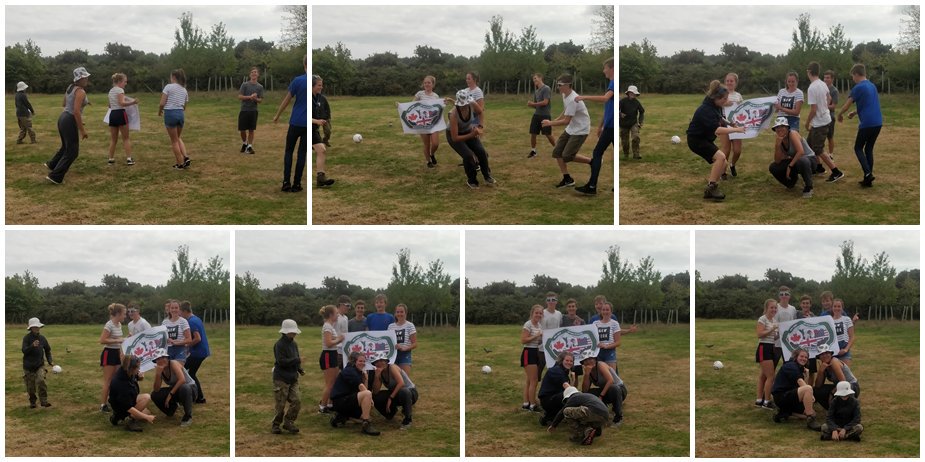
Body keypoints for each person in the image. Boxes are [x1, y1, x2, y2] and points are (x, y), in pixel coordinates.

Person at [686, 80, 747, 201]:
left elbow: (721, 118)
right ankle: (712, 187)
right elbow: (718, 129)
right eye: (724, 99)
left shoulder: (715, 105)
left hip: (704, 139)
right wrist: (736, 130)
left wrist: (731, 123)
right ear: (716, 98)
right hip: (696, 140)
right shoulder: (705, 110)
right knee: (720, 157)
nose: (726, 101)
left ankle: (711, 184)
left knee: (723, 162)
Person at [836, 63, 883, 188]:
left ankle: (868, 173)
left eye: (853, 76)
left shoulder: (858, 87)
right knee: (868, 149)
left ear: (857, 74)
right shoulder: (872, 86)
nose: (853, 79)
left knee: (858, 148)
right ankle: (868, 180)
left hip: (867, 123)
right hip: (878, 122)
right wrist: (856, 112)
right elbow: (870, 104)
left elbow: (847, 104)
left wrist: (840, 114)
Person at [542, 74, 592, 189]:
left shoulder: (573, 99)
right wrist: (555, 120)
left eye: (560, 85)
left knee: (567, 156)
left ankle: (592, 162)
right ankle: (567, 179)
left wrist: (550, 123)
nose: (558, 87)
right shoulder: (565, 95)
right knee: (557, 152)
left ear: (568, 85)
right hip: (571, 128)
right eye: (557, 85)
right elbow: (566, 110)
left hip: (581, 129)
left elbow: (566, 121)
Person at [574, 57, 615, 195]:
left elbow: (604, 99)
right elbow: (609, 107)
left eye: (605, 68)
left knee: (597, 153)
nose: (604, 71)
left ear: (611, 68)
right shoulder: (612, 83)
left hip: (612, 128)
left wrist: (584, 97)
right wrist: (600, 126)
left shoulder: (613, 83)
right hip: (609, 126)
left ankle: (592, 187)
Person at [45, 67, 90, 184]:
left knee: (66, 146)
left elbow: (64, 103)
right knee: (73, 151)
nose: (87, 79)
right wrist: (82, 130)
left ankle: (52, 164)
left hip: (63, 117)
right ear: (79, 79)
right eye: (85, 77)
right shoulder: (80, 91)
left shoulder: (70, 88)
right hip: (69, 118)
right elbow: (76, 111)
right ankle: (55, 176)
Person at [445, 89, 496, 188]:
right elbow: (455, 138)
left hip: (468, 131)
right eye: (461, 105)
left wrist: (480, 126)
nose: (464, 106)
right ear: (458, 104)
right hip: (454, 135)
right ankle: (472, 180)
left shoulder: (472, 104)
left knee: (481, 151)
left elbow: (480, 112)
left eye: (466, 104)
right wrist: (472, 135)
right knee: (468, 156)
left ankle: (487, 176)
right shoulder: (453, 114)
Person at [805, 62, 845, 181]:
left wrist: (807, 123)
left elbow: (813, 109)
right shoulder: (823, 84)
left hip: (820, 123)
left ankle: (836, 172)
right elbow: (829, 98)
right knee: (809, 144)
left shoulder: (812, 87)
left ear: (809, 72)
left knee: (818, 149)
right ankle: (819, 167)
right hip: (825, 119)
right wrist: (825, 107)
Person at [329, 351, 381, 435]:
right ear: (354, 361)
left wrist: (366, 379)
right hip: (341, 401)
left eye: (364, 361)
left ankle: (342, 416)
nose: (363, 363)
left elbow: (364, 391)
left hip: (349, 400)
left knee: (366, 415)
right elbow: (363, 390)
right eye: (360, 361)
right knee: (367, 396)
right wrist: (371, 399)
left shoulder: (357, 371)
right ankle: (366, 425)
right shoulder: (349, 371)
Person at [771, 348, 822, 430]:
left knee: (813, 413)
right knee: (808, 390)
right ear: (796, 356)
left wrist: (807, 375)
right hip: (781, 396)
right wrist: (811, 395)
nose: (804, 359)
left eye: (806, 357)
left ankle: (785, 412)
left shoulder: (800, 368)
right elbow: (802, 383)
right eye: (801, 356)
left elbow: (802, 387)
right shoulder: (790, 365)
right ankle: (811, 422)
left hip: (791, 396)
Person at [768, 116, 815, 198]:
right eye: (777, 127)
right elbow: (777, 161)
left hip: (810, 160)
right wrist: (777, 145)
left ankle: (809, 187)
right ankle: (790, 183)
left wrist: (790, 166)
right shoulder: (780, 139)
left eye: (782, 126)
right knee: (773, 167)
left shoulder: (792, 133)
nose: (779, 129)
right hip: (796, 161)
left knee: (802, 160)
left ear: (787, 127)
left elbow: (801, 152)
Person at [302, 72, 334, 190]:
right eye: (319, 85)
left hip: (313, 129)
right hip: (303, 128)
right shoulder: (306, 98)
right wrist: (316, 121)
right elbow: (303, 116)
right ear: (312, 85)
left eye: (321, 85)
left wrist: (323, 120)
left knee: (322, 150)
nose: (321, 87)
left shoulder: (319, 97)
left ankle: (320, 178)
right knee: (301, 154)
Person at [370, 352, 418, 429]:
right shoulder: (379, 372)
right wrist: (377, 376)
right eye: (377, 361)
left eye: (382, 360)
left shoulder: (392, 367)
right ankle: (390, 413)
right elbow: (375, 391)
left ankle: (408, 419)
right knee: (375, 396)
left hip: (410, 392)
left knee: (404, 391)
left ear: (386, 361)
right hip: (396, 393)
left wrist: (390, 398)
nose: (380, 363)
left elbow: (401, 383)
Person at [108, 355, 155, 432]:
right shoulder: (121, 383)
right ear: (131, 368)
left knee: (146, 411)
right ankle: (128, 419)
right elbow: (128, 407)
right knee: (146, 398)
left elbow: (135, 378)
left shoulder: (126, 371)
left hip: (129, 399)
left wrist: (140, 377)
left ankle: (119, 417)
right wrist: (146, 417)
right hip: (121, 406)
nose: (139, 369)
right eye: (138, 368)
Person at [579, 351, 627, 425]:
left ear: (595, 359)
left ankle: (618, 416)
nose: (588, 361)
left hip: (620, 390)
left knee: (613, 388)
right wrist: (587, 374)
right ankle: (599, 413)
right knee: (588, 394)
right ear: (583, 363)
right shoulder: (588, 371)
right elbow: (585, 390)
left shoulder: (600, 365)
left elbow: (610, 380)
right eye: (585, 360)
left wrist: (601, 396)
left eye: (590, 358)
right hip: (607, 391)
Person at [273, 319, 304, 434]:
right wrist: (297, 360)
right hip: (281, 378)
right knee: (280, 404)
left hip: (293, 377)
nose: (294, 334)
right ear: (285, 332)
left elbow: (296, 358)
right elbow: (281, 361)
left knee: (297, 401)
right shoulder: (279, 345)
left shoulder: (294, 344)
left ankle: (289, 422)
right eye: (292, 332)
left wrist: (299, 369)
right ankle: (275, 424)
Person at [150, 348, 195, 427]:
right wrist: (158, 374)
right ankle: (170, 410)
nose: (161, 360)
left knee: (184, 387)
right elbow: (156, 389)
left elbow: (182, 380)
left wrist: (170, 395)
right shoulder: (160, 369)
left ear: (167, 358)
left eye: (163, 357)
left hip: (191, 389)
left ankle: (188, 416)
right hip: (177, 390)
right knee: (154, 394)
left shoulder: (173, 363)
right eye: (158, 359)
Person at [158, 69, 190, 170]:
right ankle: (185, 157)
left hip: (170, 113)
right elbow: (184, 106)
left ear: (174, 77)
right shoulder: (184, 90)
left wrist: (160, 111)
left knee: (174, 141)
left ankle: (179, 163)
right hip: (180, 114)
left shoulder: (168, 87)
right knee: (178, 138)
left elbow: (162, 103)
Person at [813, 344, 860, 409]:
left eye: (827, 353)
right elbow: (818, 386)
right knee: (816, 390)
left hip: (851, 386)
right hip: (840, 386)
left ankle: (849, 406)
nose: (825, 355)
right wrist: (821, 371)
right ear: (819, 357)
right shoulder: (824, 366)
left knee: (841, 391)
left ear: (831, 354)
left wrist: (832, 393)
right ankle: (832, 409)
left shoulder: (834, 362)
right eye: (822, 354)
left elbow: (843, 383)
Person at [180, 301, 209, 404]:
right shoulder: (196, 318)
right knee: (190, 373)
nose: (180, 315)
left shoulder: (191, 322)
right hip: (201, 352)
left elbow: (197, 338)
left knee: (186, 372)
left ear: (184, 311)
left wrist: (187, 345)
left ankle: (199, 397)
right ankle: (199, 397)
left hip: (198, 353)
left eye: (180, 312)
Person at [107, 73, 139, 166]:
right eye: (125, 82)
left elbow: (110, 105)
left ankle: (111, 159)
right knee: (126, 138)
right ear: (120, 81)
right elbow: (122, 103)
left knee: (113, 139)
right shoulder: (120, 90)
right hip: (121, 114)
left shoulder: (110, 91)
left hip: (112, 114)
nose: (126, 83)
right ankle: (129, 159)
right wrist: (133, 102)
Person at [99, 303, 126, 412]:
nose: (125, 316)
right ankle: (103, 405)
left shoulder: (119, 325)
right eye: (124, 314)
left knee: (116, 380)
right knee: (108, 380)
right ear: (118, 314)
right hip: (108, 353)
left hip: (117, 353)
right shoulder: (109, 325)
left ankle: (114, 401)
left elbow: (119, 339)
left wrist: (125, 339)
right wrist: (118, 340)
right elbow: (102, 340)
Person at [22, 317, 53, 408]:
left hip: (39, 365)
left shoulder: (42, 338)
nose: (37, 328)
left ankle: (44, 401)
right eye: (35, 327)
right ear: (31, 328)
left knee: (41, 381)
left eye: (38, 327)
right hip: (28, 366)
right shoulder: (26, 338)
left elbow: (47, 350)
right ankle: (32, 402)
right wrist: (32, 346)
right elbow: (24, 351)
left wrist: (50, 360)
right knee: (30, 387)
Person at [538, 351, 575, 426]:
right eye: (567, 360)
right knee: (571, 397)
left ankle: (549, 417)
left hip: (553, 397)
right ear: (561, 360)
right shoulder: (556, 371)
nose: (569, 363)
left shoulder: (563, 371)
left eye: (571, 361)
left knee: (570, 396)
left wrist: (573, 380)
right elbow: (567, 388)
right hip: (548, 400)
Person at [755, 299, 779, 409]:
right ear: (767, 308)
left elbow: (772, 337)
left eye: (775, 308)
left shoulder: (773, 320)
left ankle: (759, 400)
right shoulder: (763, 319)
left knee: (763, 375)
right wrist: (772, 329)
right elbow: (759, 334)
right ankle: (767, 401)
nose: (774, 309)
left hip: (770, 347)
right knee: (771, 376)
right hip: (763, 347)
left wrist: (779, 334)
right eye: (772, 307)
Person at [319, 305, 343, 414]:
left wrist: (338, 339)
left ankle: (329, 404)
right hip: (328, 355)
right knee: (329, 383)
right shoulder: (327, 327)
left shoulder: (330, 326)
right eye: (336, 313)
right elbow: (328, 343)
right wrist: (339, 339)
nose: (338, 315)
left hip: (333, 354)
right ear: (331, 315)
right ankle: (322, 406)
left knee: (334, 382)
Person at [413, 75, 441, 167]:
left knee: (435, 143)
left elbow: (439, 108)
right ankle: (428, 161)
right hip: (422, 122)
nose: (426, 84)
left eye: (429, 82)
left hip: (433, 123)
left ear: (433, 84)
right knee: (426, 144)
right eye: (425, 82)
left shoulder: (436, 96)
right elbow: (411, 105)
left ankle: (432, 154)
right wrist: (400, 106)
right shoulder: (419, 94)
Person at [521, 305, 544, 412]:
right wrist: (536, 336)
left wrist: (541, 339)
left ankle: (526, 403)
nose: (538, 315)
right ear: (532, 313)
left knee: (529, 380)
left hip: (535, 351)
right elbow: (523, 340)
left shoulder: (539, 325)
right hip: (528, 352)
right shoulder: (528, 324)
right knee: (534, 380)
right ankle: (533, 405)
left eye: (540, 313)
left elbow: (537, 341)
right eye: (537, 313)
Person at [527, 73, 556, 158]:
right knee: (533, 133)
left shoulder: (546, 88)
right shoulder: (536, 91)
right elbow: (536, 105)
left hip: (545, 115)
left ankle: (558, 149)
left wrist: (533, 103)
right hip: (537, 115)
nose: (534, 80)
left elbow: (545, 102)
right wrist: (531, 105)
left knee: (548, 134)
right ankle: (533, 151)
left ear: (540, 78)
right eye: (533, 79)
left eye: (535, 78)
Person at [237, 66, 265, 154]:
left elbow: (260, 100)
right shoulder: (244, 84)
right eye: (252, 72)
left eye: (255, 72)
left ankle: (249, 147)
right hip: (244, 110)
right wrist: (250, 97)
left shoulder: (260, 87)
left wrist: (256, 99)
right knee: (242, 130)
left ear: (258, 75)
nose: (254, 73)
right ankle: (244, 143)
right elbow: (240, 96)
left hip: (253, 111)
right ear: (250, 74)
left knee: (251, 130)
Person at [720, 73, 743, 179]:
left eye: (731, 81)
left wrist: (740, 104)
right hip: (724, 123)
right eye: (727, 81)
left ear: (735, 83)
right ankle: (722, 172)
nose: (729, 83)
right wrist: (725, 103)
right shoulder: (721, 93)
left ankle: (732, 165)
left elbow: (744, 110)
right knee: (726, 150)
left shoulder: (738, 95)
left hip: (735, 124)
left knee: (737, 150)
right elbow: (715, 104)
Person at [388, 304, 417, 375]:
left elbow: (415, 344)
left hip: (405, 355)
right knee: (394, 380)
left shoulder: (410, 325)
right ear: (395, 313)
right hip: (393, 355)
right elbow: (388, 342)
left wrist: (405, 348)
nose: (399, 314)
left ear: (405, 313)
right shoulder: (390, 326)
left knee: (405, 379)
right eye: (397, 312)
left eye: (401, 312)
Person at [617, 84, 644, 160]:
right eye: (631, 93)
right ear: (628, 93)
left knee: (636, 137)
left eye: (634, 93)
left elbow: (642, 111)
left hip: (633, 123)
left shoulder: (637, 103)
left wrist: (640, 121)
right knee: (625, 141)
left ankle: (636, 154)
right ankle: (626, 154)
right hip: (623, 124)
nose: (633, 94)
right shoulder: (622, 101)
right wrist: (620, 114)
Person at [795, 295, 818, 383]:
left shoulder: (814, 317)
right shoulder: (796, 315)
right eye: (803, 303)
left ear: (810, 304)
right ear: (800, 305)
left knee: (812, 371)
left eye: (807, 303)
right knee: (799, 369)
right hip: (799, 347)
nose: (805, 305)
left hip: (811, 347)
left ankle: (810, 389)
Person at [593, 302, 621, 372]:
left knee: (612, 375)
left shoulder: (615, 324)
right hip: (598, 352)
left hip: (610, 352)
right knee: (600, 377)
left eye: (607, 310)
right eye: (603, 310)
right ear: (601, 311)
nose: (605, 312)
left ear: (611, 311)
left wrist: (606, 346)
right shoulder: (595, 323)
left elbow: (618, 342)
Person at [773, 286, 797, 362]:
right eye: (781, 294)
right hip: (776, 343)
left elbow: (794, 324)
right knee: (772, 365)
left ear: (789, 296)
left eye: (786, 294)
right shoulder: (775, 307)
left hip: (788, 343)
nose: (784, 296)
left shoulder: (793, 309)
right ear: (779, 296)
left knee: (788, 365)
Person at [829, 299, 855, 366]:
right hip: (832, 353)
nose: (836, 308)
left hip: (844, 351)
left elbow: (852, 337)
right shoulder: (828, 321)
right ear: (832, 308)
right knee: (834, 375)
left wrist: (846, 349)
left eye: (839, 306)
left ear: (842, 308)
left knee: (845, 374)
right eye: (835, 306)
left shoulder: (847, 319)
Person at [823, 70, 839, 161]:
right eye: (825, 77)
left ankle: (831, 154)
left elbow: (833, 106)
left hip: (830, 116)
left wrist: (823, 107)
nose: (826, 79)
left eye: (828, 77)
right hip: (820, 116)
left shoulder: (834, 90)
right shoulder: (821, 88)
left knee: (830, 136)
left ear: (832, 79)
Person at [335, 295, 351, 367]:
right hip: (336, 350)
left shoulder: (346, 318)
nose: (349, 308)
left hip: (344, 349)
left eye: (349, 306)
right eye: (347, 305)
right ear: (340, 304)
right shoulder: (334, 317)